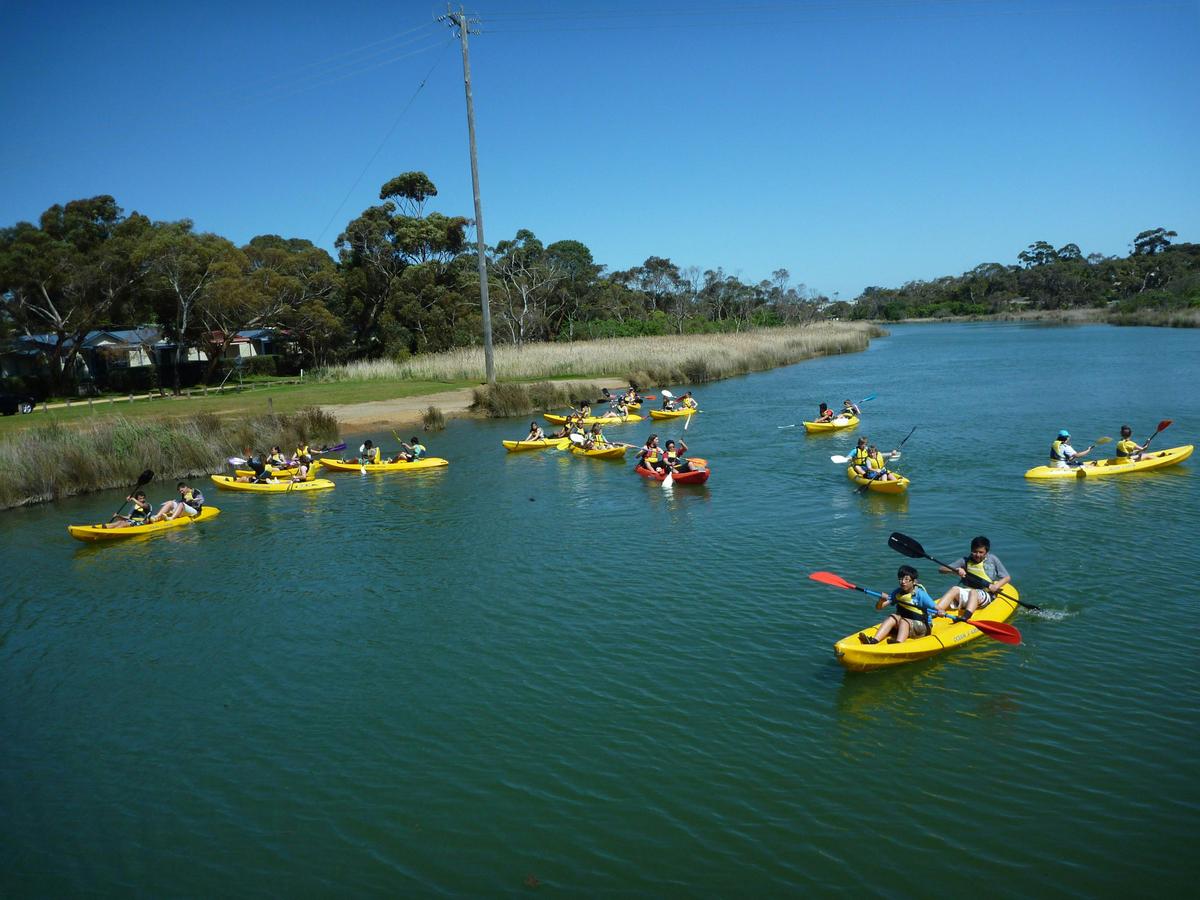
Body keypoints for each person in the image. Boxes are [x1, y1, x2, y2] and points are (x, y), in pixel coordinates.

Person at [859, 565, 943, 644]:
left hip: (923, 627)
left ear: (914, 582)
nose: (903, 582)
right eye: (901, 579)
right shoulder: (898, 592)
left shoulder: (920, 594)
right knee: (892, 617)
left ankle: (898, 643)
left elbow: (937, 608)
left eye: (906, 579)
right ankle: (873, 641)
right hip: (907, 625)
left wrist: (940, 612)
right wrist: (881, 600)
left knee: (904, 621)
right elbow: (879, 608)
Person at [934, 535, 1011, 619]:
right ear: (971, 550)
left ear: (986, 552)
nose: (977, 555)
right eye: (974, 551)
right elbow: (941, 569)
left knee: (974, 592)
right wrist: (955, 570)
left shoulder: (992, 559)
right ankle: (935, 611)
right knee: (954, 589)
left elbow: (1006, 577)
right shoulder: (964, 561)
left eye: (981, 552)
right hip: (967, 594)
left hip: (985, 595)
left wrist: (996, 586)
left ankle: (965, 617)